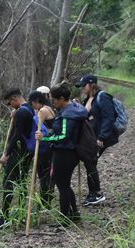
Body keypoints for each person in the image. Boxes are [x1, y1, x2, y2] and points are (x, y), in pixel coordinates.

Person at [35, 82, 87, 223]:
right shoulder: (73, 108)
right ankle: (74, 214)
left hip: (64, 153)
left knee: (62, 186)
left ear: (63, 98)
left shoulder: (67, 115)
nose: (53, 102)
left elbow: (64, 136)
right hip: (69, 152)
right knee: (65, 184)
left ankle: (64, 218)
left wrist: (45, 137)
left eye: (55, 99)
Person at [75, 74, 118, 205]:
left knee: (90, 162)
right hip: (90, 137)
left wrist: (102, 137)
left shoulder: (102, 97)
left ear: (91, 84)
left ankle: (96, 194)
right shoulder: (89, 98)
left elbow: (109, 118)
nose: (82, 88)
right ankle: (93, 194)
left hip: (98, 137)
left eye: (84, 85)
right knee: (90, 162)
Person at [0, 88, 35, 227]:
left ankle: (4, 216)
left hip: (17, 152)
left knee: (8, 182)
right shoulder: (29, 108)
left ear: (14, 99)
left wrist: (6, 154)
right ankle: (22, 213)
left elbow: (16, 135)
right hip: (27, 152)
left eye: (10, 103)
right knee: (22, 181)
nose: (10, 105)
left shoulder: (21, 113)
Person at [28, 90, 56, 207]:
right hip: (51, 145)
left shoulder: (42, 111)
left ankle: (44, 201)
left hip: (45, 146)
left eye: (32, 103)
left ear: (36, 102)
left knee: (43, 174)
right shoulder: (49, 108)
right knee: (47, 173)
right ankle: (46, 198)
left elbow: (38, 127)